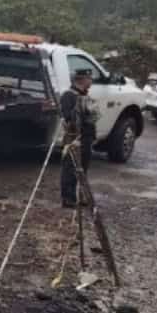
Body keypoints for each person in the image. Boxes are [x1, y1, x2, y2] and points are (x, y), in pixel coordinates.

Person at [60, 68, 97, 208]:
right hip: (75, 138)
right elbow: (69, 118)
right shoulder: (69, 96)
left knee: (83, 169)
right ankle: (68, 198)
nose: (91, 81)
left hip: (87, 137)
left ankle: (80, 196)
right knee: (70, 168)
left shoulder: (85, 96)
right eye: (89, 78)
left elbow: (93, 116)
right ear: (82, 79)